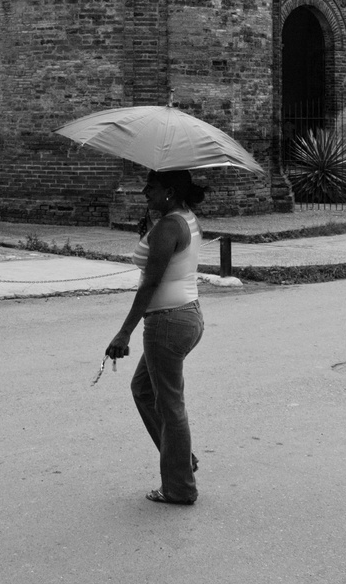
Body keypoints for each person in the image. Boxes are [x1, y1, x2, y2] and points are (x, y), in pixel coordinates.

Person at [106, 169, 205, 505]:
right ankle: (180, 459)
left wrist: (124, 331)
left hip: (166, 322)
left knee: (170, 404)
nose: (145, 191)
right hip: (185, 316)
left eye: (152, 186)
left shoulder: (168, 226)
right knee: (143, 389)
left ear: (170, 192)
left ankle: (180, 487)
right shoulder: (183, 218)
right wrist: (149, 230)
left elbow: (151, 283)